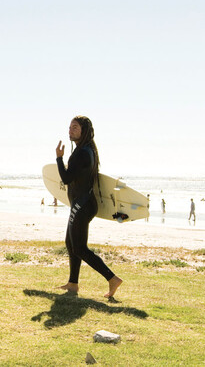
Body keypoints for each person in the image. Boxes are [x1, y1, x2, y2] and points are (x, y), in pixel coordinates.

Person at [55, 116, 122, 298]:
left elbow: (67, 178)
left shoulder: (83, 153)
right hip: (81, 204)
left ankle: (112, 278)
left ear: (84, 131)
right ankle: (73, 283)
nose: (70, 130)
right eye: (69, 127)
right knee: (71, 244)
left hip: (82, 206)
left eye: (75, 127)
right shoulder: (86, 150)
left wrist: (59, 159)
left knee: (79, 248)